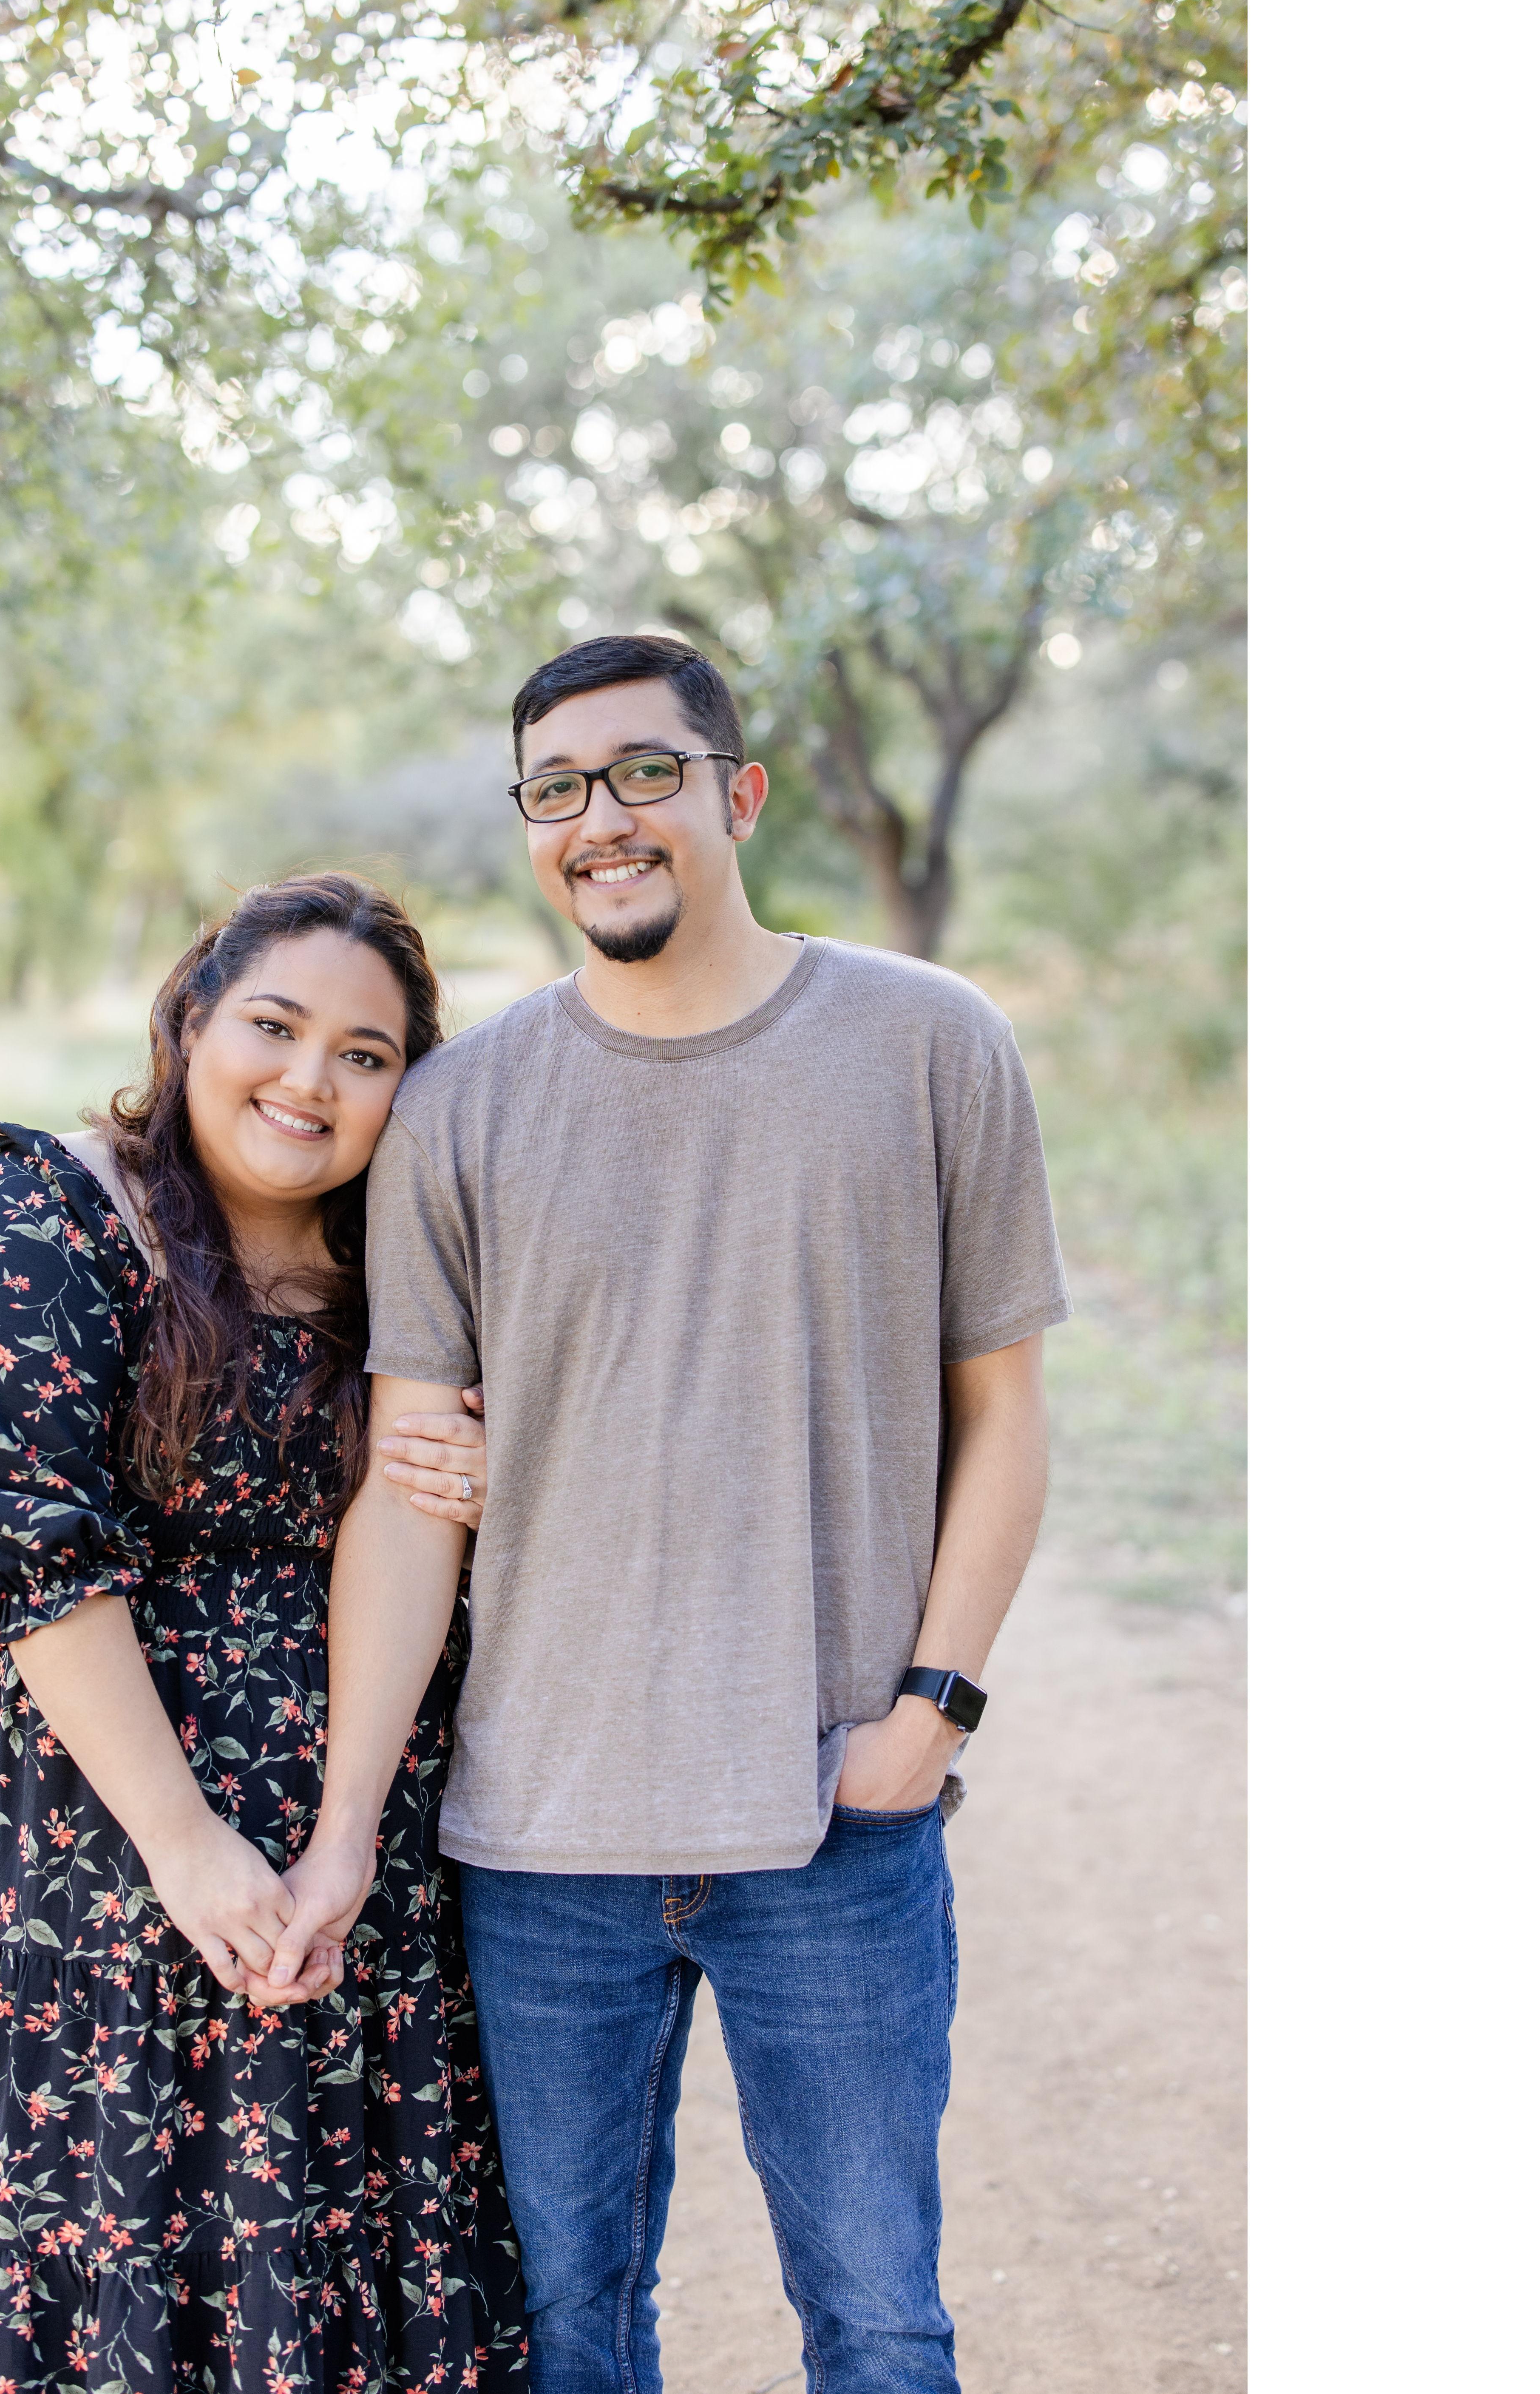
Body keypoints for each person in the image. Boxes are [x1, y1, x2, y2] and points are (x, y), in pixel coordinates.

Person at [264, 635, 1070, 2394]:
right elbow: (411, 1494)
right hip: (540, 1837)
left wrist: (930, 1712)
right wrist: (342, 1829)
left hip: (829, 1816)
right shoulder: (457, 1109)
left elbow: (1002, 1413)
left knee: (877, 2317)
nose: (600, 820)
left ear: (737, 793)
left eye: (645, 772)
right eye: (556, 788)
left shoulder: (929, 1042)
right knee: (569, 2327)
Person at [0, 873, 528, 2394]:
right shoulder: (41, 1218)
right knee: (98, 2205)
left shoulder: (406, 1264)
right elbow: (23, 1554)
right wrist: (188, 1843)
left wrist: (343, 1832)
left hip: (349, 1838)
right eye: (274, 1025)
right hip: (74, 1826)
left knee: (322, 2220)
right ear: (191, 1020)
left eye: (364, 1053)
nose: (308, 1078)